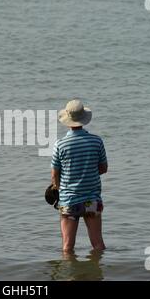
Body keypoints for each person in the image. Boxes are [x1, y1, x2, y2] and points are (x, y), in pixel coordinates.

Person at [51, 99, 108, 253]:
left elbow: (55, 174)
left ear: (68, 120)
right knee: (98, 245)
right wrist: (88, 172)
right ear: (84, 119)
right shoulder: (97, 141)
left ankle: (71, 275)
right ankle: (97, 273)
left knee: (67, 247)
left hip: (69, 200)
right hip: (92, 200)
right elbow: (103, 168)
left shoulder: (60, 144)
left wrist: (57, 187)